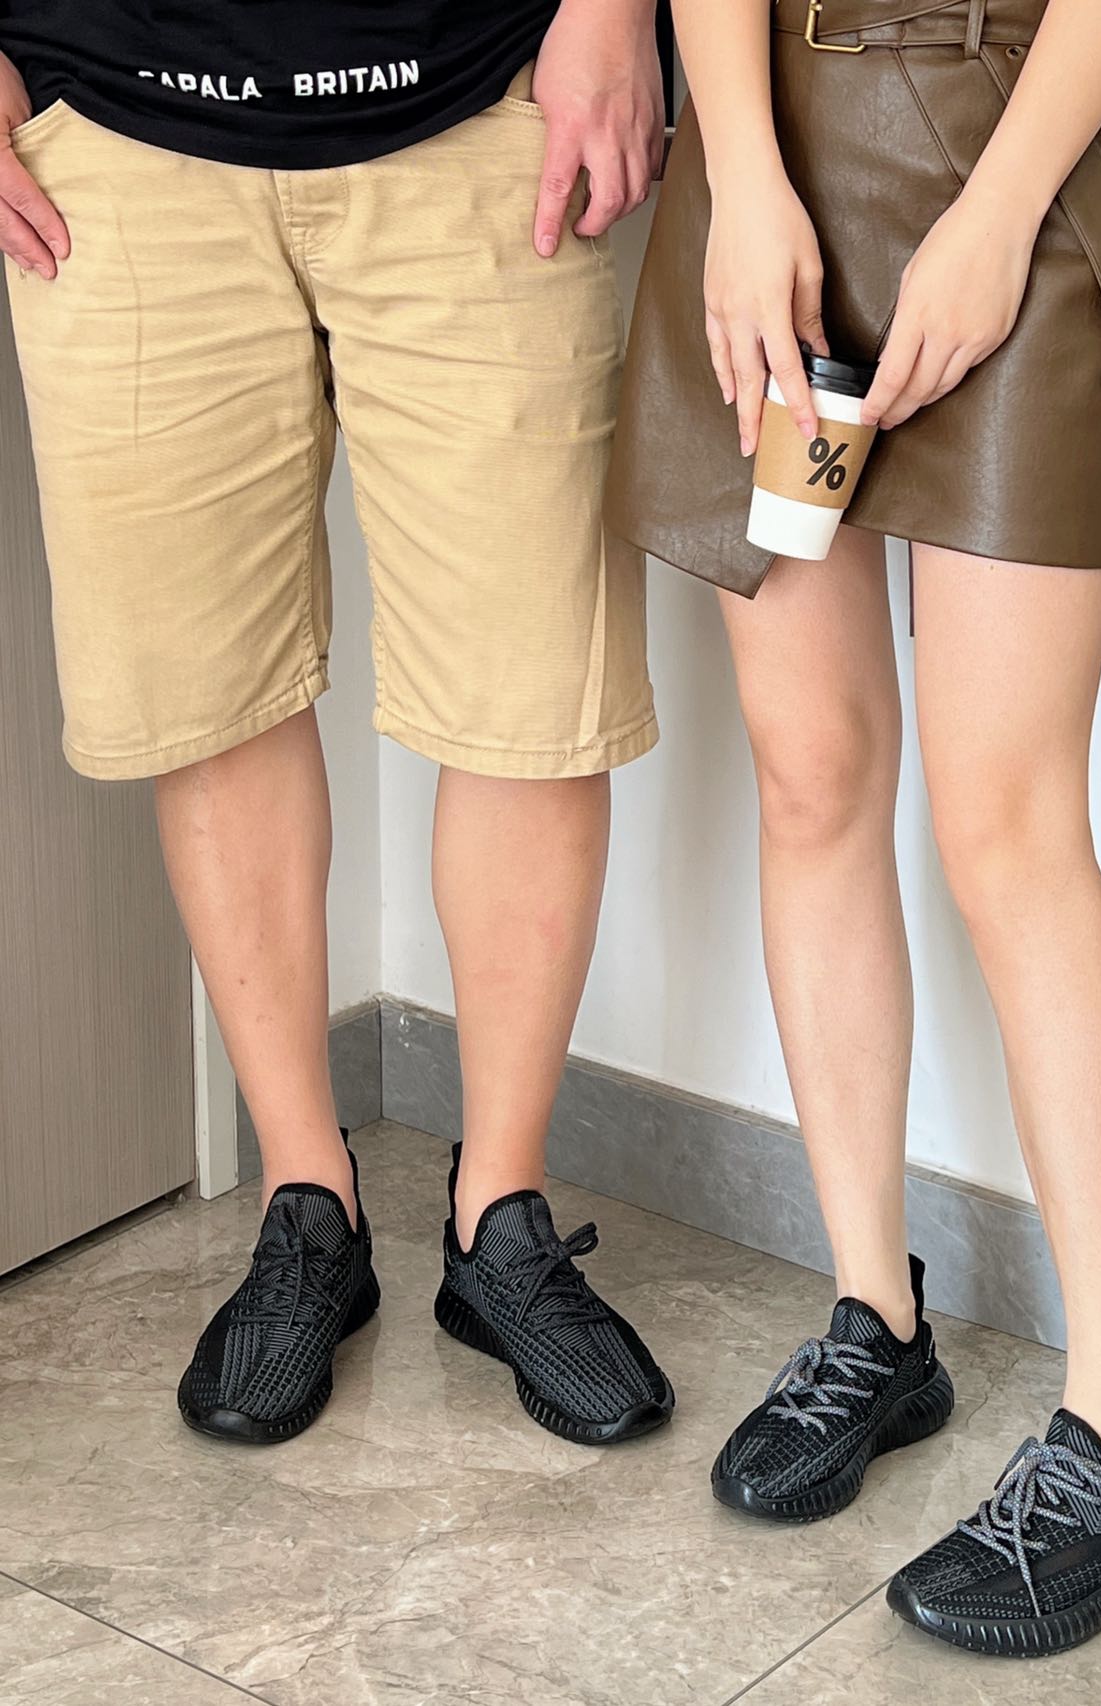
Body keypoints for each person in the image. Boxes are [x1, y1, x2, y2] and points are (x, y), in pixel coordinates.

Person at [606, 0, 1101, 1656]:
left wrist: (1004, 209)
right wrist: (743, 174)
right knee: (809, 770)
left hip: (1004, 148)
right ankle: (875, 1319)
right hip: (774, 165)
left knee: (1007, 830)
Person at [0, 0, 674, 1448]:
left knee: (529, 689)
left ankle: (500, 1218)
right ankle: (309, 1203)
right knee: (209, 694)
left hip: (481, 92)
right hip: (114, 121)